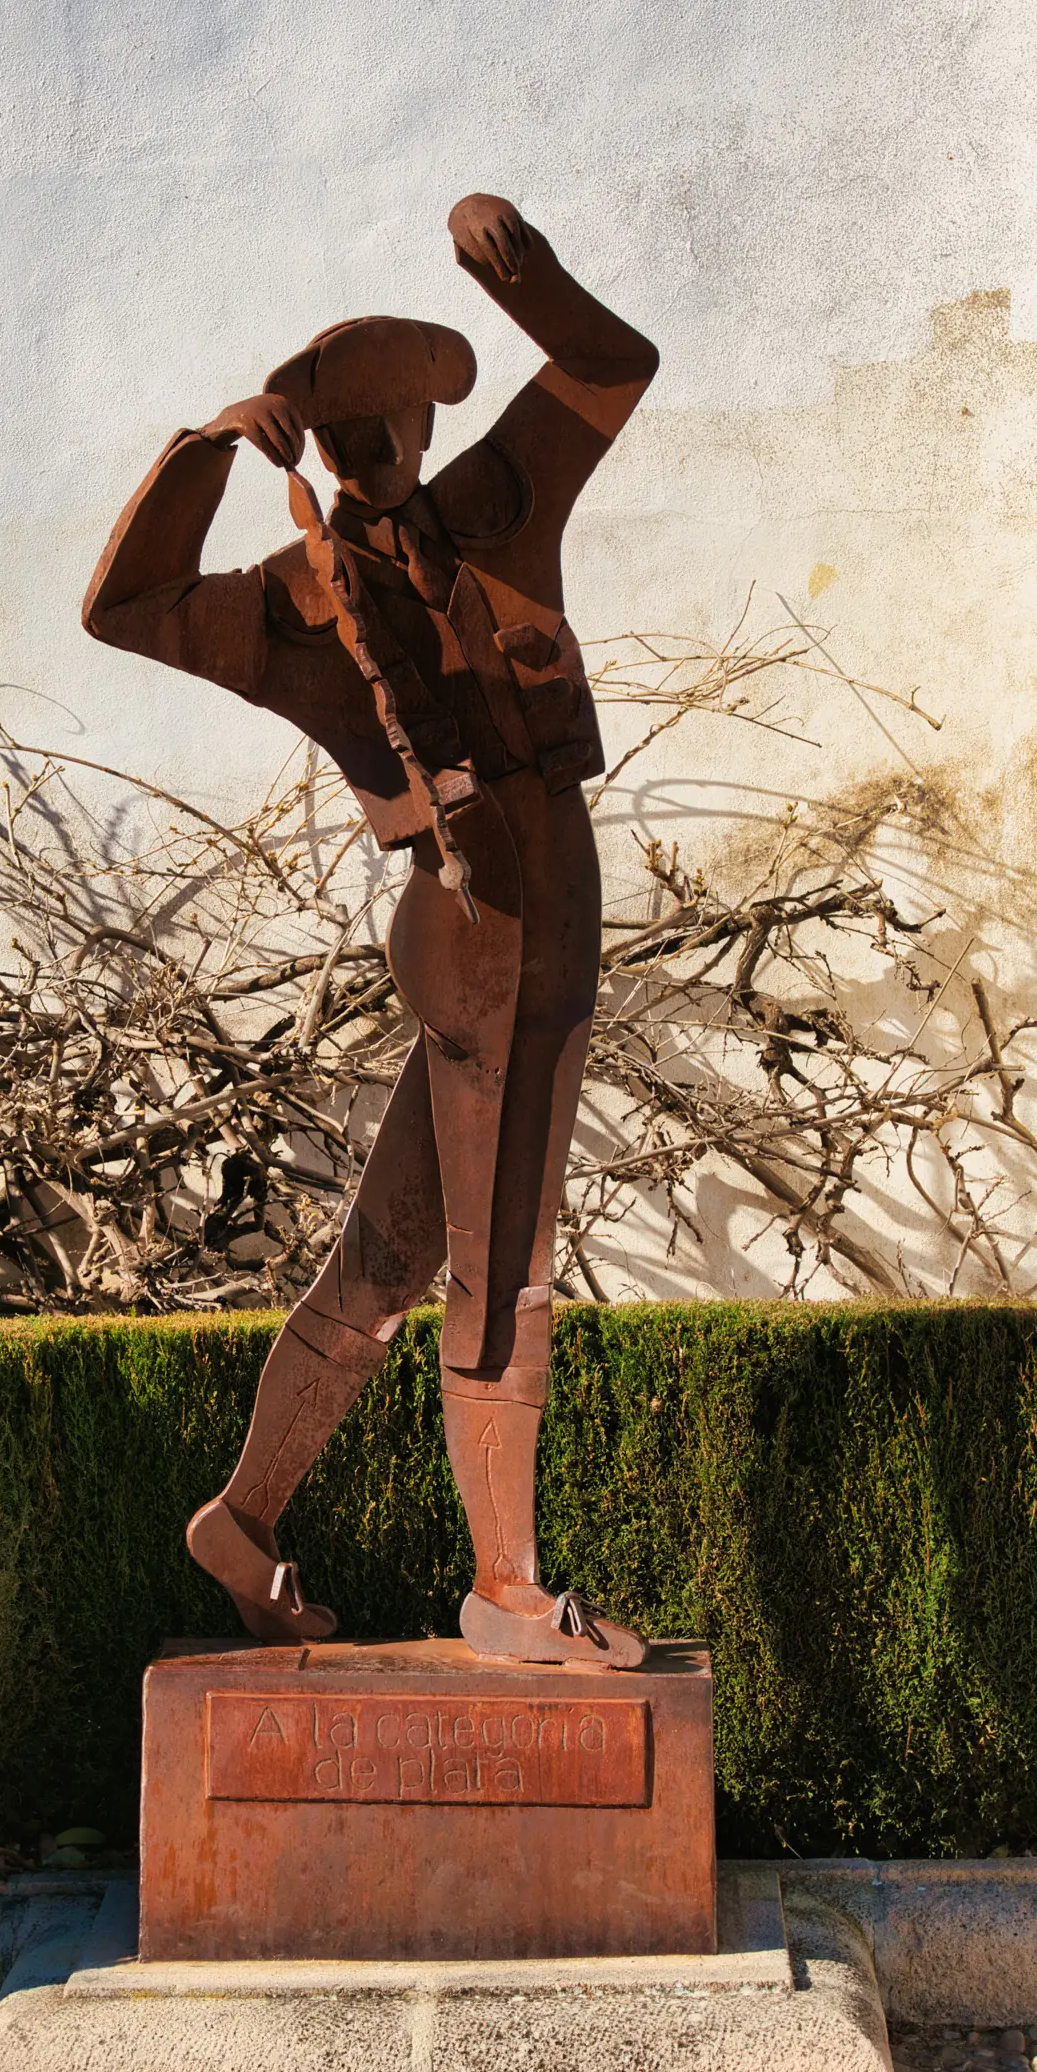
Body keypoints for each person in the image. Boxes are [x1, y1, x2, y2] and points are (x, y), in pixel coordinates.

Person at [82, 192, 658, 1666]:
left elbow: (612, 365)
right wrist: (209, 448)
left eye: (384, 424)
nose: (366, 453)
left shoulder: (500, 503)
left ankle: (242, 1519)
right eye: (340, 435)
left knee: (392, 1256)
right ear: (322, 447)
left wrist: (524, 275)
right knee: (506, 1256)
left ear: (422, 421)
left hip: (553, 925)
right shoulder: (294, 600)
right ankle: (506, 1586)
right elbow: (127, 605)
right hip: (480, 944)